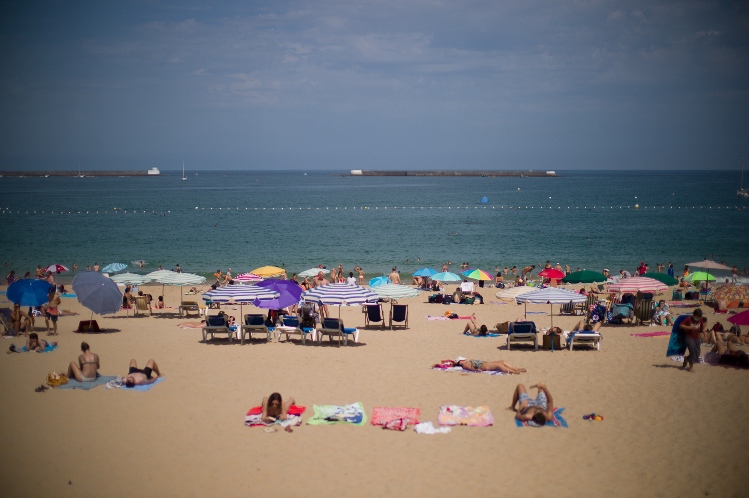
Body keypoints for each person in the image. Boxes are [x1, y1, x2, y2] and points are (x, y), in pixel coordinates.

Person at [453, 356, 527, 374]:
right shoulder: (465, 365)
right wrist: (477, 370)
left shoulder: (466, 363)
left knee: (503, 361)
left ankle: (517, 368)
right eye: (462, 360)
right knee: (499, 365)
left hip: (486, 363)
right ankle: (513, 371)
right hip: (485, 366)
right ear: (460, 362)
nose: (464, 359)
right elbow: (471, 368)